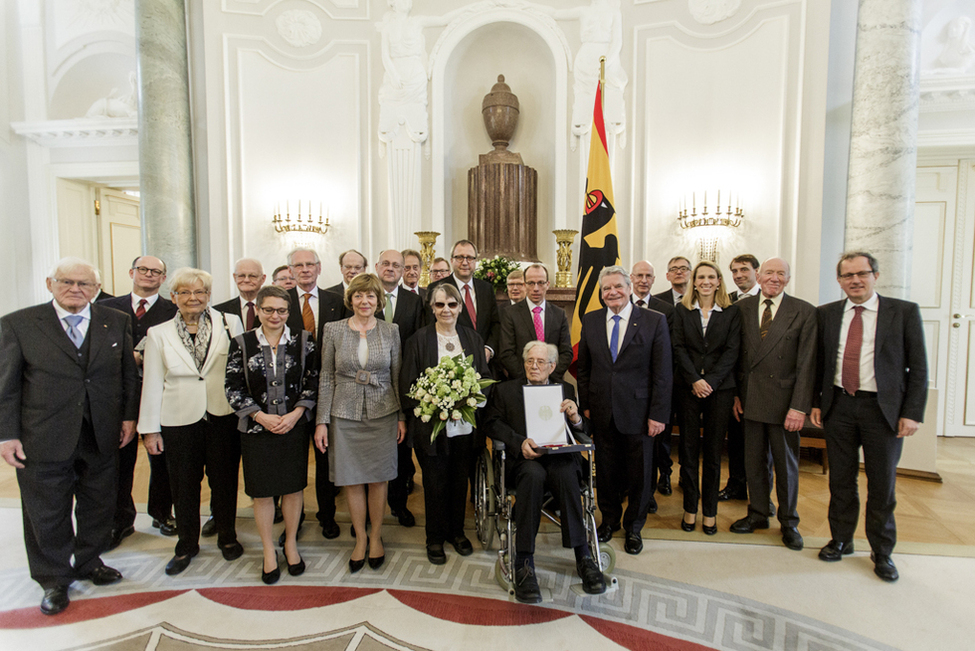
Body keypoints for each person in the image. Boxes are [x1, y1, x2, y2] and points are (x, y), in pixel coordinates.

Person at [0, 257, 138, 616]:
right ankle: (53, 578)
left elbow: (127, 377)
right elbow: (7, 387)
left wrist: (127, 417)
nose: (75, 289)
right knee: (47, 510)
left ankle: (90, 561)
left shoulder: (116, 321)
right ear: (50, 284)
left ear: (96, 289)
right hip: (43, 434)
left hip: (102, 431)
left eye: (84, 284)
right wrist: (6, 436)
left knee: (99, 504)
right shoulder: (19, 324)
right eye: (67, 282)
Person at [810, 252, 927, 582]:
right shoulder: (827, 314)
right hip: (840, 407)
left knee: (881, 485)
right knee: (841, 481)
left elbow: (918, 367)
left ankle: (882, 551)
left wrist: (912, 413)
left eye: (862, 273)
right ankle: (842, 539)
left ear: (876, 275)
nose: (855, 280)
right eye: (848, 276)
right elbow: (820, 364)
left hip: (883, 411)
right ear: (839, 281)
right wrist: (816, 402)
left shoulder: (902, 312)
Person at [138, 268, 246, 576]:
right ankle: (186, 544)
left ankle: (227, 536)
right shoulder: (157, 333)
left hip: (222, 414)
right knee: (183, 485)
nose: (192, 298)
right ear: (173, 297)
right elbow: (153, 382)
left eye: (199, 292)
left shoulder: (230, 322)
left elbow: (238, 370)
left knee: (224, 481)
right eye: (184, 292)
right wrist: (150, 429)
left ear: (209, 296)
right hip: (178, 418)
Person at [483, 342, 606, 603]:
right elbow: (491, 423)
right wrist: (518, 442)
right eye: (530, 361)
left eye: (541, 362)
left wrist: (575, 417)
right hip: (525, 459)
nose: (534, 366)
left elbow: (585, 427)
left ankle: (583, 554)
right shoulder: (505, 391)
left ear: (552, 366)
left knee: (565, 473)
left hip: (559, 457)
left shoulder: (566, 390)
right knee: (533, 475)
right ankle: (524, 560)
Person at [225, 285, 318, 584]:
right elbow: (233, 386)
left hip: (294, 426)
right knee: (262, 492)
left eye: (281, 310)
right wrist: (260, 415)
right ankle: (268, 550)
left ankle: (290, 542)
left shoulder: (304, 341)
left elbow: (313, 381)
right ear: (259, 310)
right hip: (256, 428)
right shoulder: (241, 343)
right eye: (268, 310)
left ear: (289, 313)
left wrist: (296, 414)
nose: (275, 316)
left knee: (292, 488)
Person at [577, 266, 672, 555]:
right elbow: (584, 369)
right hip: (603, 412)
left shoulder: (654, 321)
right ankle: (609, 521)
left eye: (617, 286)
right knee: (605, 472)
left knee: (640, 474)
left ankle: (634, 527)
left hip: (641, 414)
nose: (612, 292)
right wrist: (587, 406)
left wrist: (658, 414)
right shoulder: (591, 320)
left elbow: (663, 373)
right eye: (606, 289)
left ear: (629, 288)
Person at [315, 273, 406, 572]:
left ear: (379, 301)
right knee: (351, 478)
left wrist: (401, 416)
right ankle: (360, 540)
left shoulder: (391, 330)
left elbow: (397, 376)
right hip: (344, 413)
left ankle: (377, 536)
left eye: (370, 296)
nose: (364, 301)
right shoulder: (333, 330)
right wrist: (321, 421)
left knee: (379, 477)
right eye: (358, 296)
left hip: (383, 412)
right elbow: (326, 377)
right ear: (350, 299)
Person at [400, 283, 490, 565]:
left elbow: (484, 377)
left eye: (452, 304)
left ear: (460, 307)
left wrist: (469, 401)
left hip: (465, 426)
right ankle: (434, 537)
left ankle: (457, 532)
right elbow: (409, 382)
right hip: (431, 426)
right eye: (440, 305)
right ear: (432, 308)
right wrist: (433, 401)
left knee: (459, 480)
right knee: (435, 482)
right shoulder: (419, 340)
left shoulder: (472, 337)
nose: (446, 310)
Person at [730, 258, 816, 552]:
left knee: (786, 465)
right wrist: (736, 395)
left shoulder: (803, 311)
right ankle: (757, 513)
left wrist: (799, 407)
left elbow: (807, 364)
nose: (774, 278)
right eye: (769, 273)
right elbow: (737, 358)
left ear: (788, 279)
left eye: (781, 274)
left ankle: (789, 522)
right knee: (753, 462)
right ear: (758, 276)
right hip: (751, 398)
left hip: (785, 405)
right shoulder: (741, 309)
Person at [101, 256, 179, 548]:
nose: (149, 275)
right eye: (143, 270)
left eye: (155, 271)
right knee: (119, 460)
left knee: (161, 457)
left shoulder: (173, 310)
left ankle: (162, 512)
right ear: (131, 272)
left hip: (158, 392)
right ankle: (120, 520)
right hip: (116, 395)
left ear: (163, 278)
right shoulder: (106, 308)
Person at [672, 262, 741, 535]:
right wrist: (695, 380)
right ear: (694, 281)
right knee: (688, 452)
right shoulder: (682, 310)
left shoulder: (731, 312)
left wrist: (710, 382)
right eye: (701, 276)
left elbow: (732, 352)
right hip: (688, 388)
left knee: (713, 453)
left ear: (719, 280)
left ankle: (709, 511)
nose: (706, 281)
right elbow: (678, 347)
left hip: (719, 390)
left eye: (711, 276)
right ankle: (690, 508)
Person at [284, 248, 346, 539]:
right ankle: (293, 521)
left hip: (330, 392)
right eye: (299, 265)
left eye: (310, 264)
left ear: (319, 268)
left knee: (325, 460)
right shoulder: (280, 303)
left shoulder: (337, 301)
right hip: (292, 397)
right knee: (294, 461)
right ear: (291, 270)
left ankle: (327, 516)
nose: (305, 269)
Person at [376, 250, 424, 527]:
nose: (391, 269)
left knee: (400, 449)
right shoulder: (365, 295)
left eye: (397, 265)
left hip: (403, 382)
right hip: (370, 383)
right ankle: (372, 509)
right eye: (387, 264)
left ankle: (398, 504)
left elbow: (418, 341)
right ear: (377, 266)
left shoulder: (414, 301)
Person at [719, 253, 762, 503]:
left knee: (759, 447)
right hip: (735, 383)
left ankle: (759, 495)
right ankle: (736, 485)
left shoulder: (766, 298)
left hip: (763, 385)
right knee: (735, 441)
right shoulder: (728, 301)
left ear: (757, 270)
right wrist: (733, 390)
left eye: (744, 270)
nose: (738, 275)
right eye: (734, 271)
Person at [630, 260, 675, 497]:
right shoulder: (621, 305)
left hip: (655, 388)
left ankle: (659, 480)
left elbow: (669, 354)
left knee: (658, 442)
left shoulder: (666, 309)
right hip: (630, 391)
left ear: (654, 279)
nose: (643, 280)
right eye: (639, 275)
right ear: (631, 278)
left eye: (648, 275)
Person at [429, 240, 500, 362]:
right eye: (460, 257)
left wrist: (489, 349)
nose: (465, 262)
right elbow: (430, 326)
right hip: (452, 360)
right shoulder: (437, 288)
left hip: (485, 362)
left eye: (470, 258)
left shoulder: (486, 288)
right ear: (451, 261)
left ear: (475, 261)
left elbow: (495, 323)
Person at [498, 264, 572, 383]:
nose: (536, 288)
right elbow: (507, 352)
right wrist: (529, 377)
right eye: (531, 283)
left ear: (548, 284)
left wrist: (548, 376)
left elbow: (566, 352)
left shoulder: (559, 314)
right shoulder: (510, 314)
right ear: (525, 285)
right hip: (520, 382)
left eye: (541, 283)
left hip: (552, 382)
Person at [214, 258, 266, 330]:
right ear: (235, 278)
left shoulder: (275, 310)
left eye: (252, 276)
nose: (246, 280)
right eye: (241, 276)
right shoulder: (219, 312)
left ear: (263, 279)